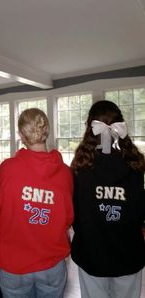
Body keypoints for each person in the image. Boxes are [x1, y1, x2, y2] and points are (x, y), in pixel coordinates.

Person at [0, 108, 74, 298]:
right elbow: (68, 218)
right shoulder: (65, 173)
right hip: (51, 263)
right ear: (46, 132)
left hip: (13, 263)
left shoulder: (7, 168)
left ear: (21, 134)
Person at [71, 100, 145, 298]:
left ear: (90, 128)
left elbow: (76, 215)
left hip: (91, 254)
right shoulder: (136, 165)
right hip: (128, 253)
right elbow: (139, 213)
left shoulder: (80, 166)